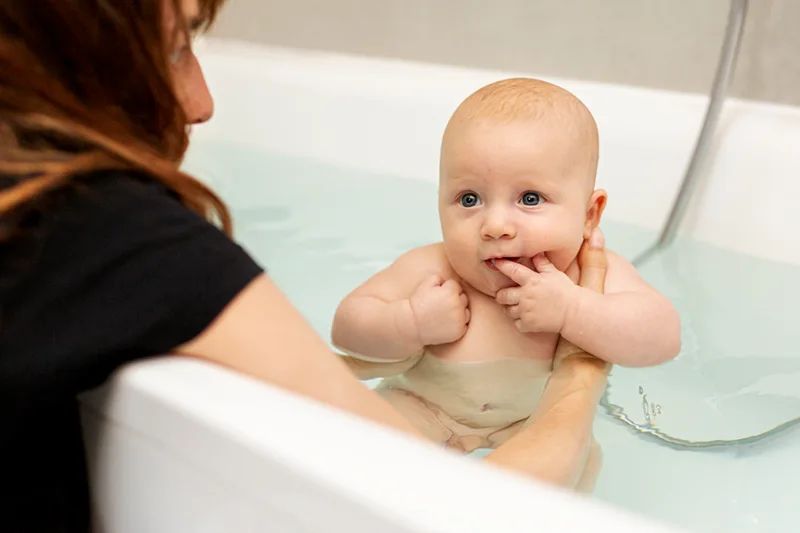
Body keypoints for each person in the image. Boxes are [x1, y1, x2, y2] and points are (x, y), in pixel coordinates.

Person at [0, 1, 611, 531]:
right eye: (177, 48)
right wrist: (583, 365)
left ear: (590, 212)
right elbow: (461, 509)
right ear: (70, 59)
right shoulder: (119, 240)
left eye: (530, 199)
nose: (203, 102)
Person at [331, 79, 681, 460]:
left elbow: (663, 338)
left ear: (588, 215)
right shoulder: (434, 270)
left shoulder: (589, 276)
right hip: (422, 408)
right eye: (469, 199)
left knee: (581, 465)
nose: (495, 225)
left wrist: (575, 311)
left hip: (530, 426)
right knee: (373, 446)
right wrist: (409, 322)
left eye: (530, 199)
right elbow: (347, 327)